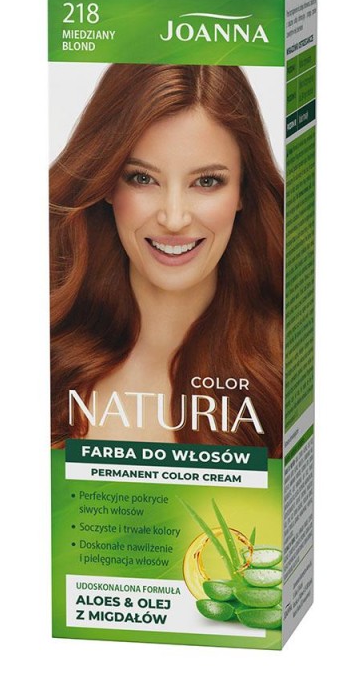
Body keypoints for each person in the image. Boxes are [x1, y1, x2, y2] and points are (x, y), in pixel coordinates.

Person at [50, 64, 284, 456]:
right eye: (143, 179)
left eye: (206, 181)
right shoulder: (51, 359)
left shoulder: (284, 368)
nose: (173, 219)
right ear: (107, 183)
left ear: (243, 191)